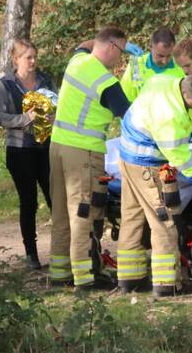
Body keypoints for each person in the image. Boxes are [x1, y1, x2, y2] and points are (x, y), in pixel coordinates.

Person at [116, 74, 192, 297]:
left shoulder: (165, 81)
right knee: (164, 222)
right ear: (184, 93)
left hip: (127, 157)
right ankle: (167, 283)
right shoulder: (169, 114)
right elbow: (180, 157)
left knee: (132, 218)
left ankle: (130, 279)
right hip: (146, 165)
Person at [49, 27, 131, 290]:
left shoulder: (78, 61)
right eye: (121, 52)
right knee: (83, 214)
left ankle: (60, 273)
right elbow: (128, 114)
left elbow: (84, 44)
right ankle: (85, 278)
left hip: (58, 147)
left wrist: (118, 44)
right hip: (82, 153)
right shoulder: (105, 82)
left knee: (61, 213)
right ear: (111, 48)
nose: (120, 60)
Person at [0, 39, 57, 270]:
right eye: (28, 57)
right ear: (15, 59)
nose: (33, 61)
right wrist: (22, 119)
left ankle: (62, 250)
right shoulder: (6, 84)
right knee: (28, 201)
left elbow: (59, 106)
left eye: (35, 57)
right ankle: (31, 254)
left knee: (55, 198)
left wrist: (54, 118)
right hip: (19, 150)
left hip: (46, 148)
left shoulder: (46, 81)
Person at [120, 27, 184, 101]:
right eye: (160, 56)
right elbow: (124, 97)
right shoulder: (135, 64)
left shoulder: (182, 67)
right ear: (151, 47)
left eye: (169, 55)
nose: (165, 61)